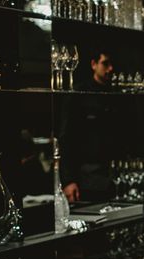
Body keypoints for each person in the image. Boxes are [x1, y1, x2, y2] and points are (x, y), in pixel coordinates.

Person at [58, 47, 124, 202]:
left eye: (112, 64)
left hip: (115, 178)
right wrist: (68, 180)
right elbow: (66, 137)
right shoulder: (80, 94)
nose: (110, 68)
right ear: (94, 64)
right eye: (105, 63)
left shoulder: (118, 94)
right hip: (87, 180)